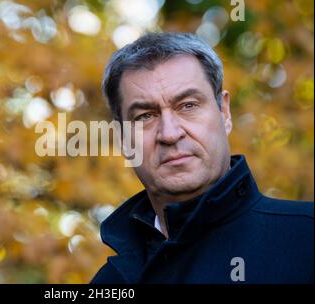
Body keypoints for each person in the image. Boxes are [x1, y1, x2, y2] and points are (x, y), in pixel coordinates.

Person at [90, 32, 314, 284]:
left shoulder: (307, 239)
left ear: (224, 112)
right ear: (122, 138)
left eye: (188, 105)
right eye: (145, 116)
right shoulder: (109, 284)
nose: (170, 133)